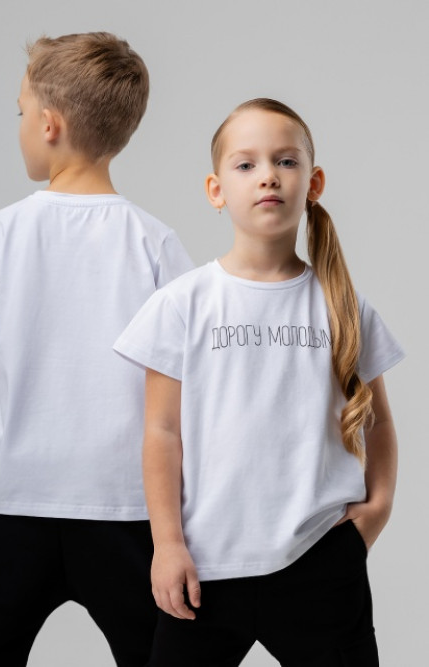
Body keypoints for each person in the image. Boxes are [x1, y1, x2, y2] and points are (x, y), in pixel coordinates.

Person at [113, 98, 404, 666]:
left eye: (286, 161)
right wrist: (167, 544)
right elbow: (161, 432)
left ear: (313, 183)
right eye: (245, 164)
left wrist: (378, 508)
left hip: (321, 563)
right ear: (216, 190)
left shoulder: (343, 305)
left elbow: (380, 421)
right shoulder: (182, 304)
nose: (268, 175)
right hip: (204, 571)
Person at [0, 32, 193, 667]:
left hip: (20, 497)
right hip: (126, 505)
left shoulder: (2, 232)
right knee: (156, 653)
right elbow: (186, 375)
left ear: (49, 124)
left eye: (21, 111)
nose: (20, 125)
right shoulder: (155, 243)